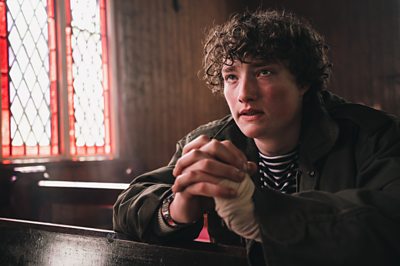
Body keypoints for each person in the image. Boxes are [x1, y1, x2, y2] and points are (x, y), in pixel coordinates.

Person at [113, 9, 400, 266]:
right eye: (231, 77)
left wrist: (260, 214)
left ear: (302, 81)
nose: (244, 94)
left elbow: (390, 222)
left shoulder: (376, 134)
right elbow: (126, 207)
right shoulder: (211, 141)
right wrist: (175, 209)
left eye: (264, 72)